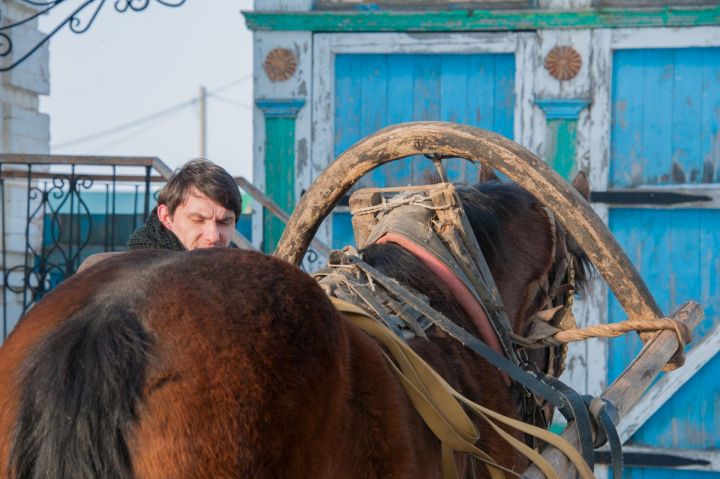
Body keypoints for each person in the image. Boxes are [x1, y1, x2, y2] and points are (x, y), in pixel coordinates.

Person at [128, 159, 242, 251]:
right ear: (166, 217)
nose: (213, 237)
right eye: (198, 220)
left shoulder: (240, 270)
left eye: (224, 222)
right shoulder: (132, 274)